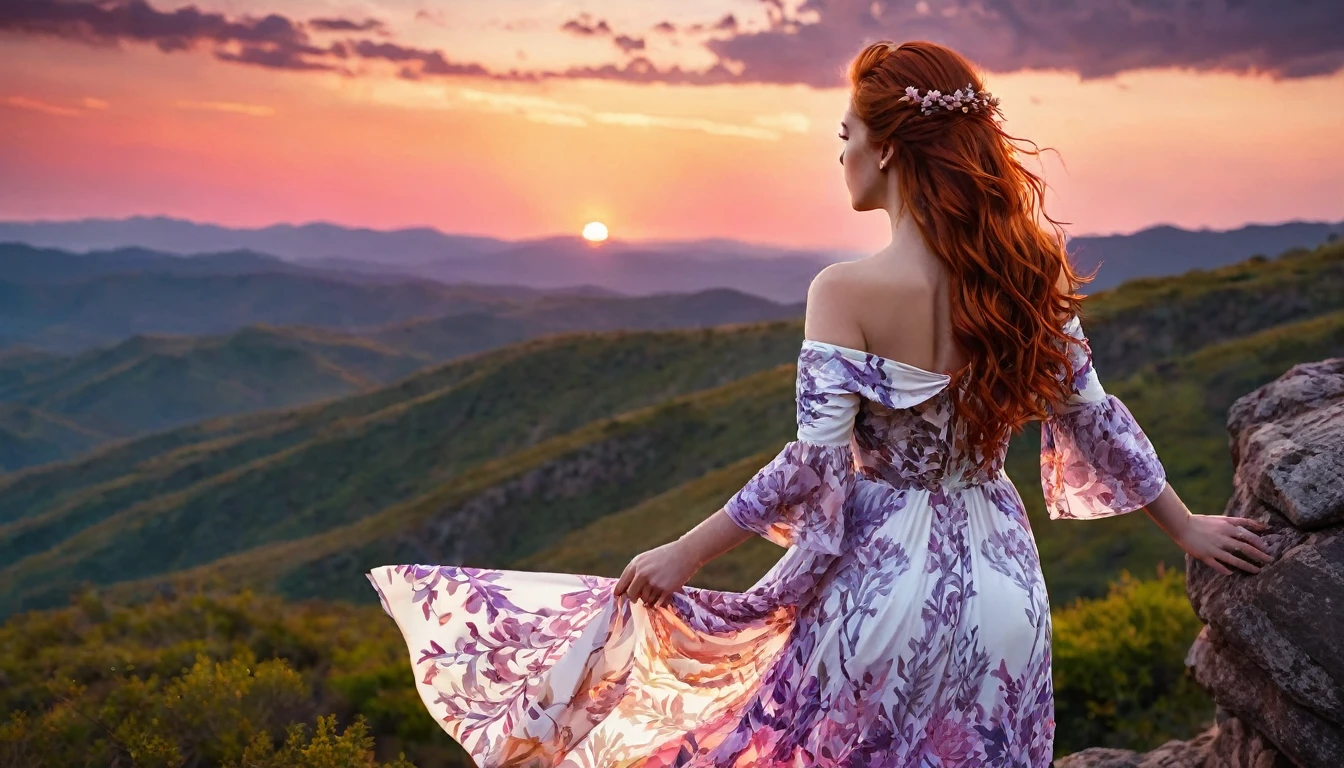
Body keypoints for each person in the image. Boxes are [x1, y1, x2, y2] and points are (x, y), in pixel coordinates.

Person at [366, 39, 1274, 767]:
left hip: (881, 586)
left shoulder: (843, 290)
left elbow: (810, 463)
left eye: (844, 133)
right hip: (1002, 585)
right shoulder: (1022, 274)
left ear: (886, 147)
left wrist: (684, 552)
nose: (838, 153)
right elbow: (1093, 415)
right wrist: (1186, 525)